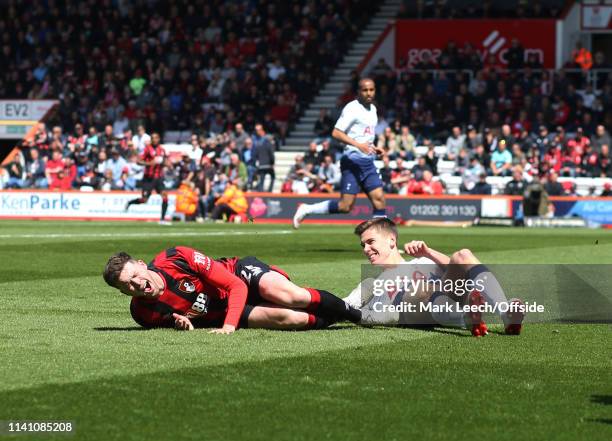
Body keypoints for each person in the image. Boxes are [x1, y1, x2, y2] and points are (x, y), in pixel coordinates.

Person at [102, 246, 362, 333]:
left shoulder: (176, 257)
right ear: (123, 293)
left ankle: (355, 313)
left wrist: (229, 327)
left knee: (289, 296)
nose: (137, 284)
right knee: (290, 317)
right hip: (223, 308)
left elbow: (234, 284)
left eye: (135, 276)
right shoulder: (142, 314)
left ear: (140, 264)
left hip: (239, 274)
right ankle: (335, 315)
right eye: (128, 286)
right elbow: (178, 320)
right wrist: (182, 323)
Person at [343, 218, 525, 336]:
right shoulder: (376, 283)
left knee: (463, 254)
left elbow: (460, 267)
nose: (366, 249)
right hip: (414, 312)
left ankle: (505, 313)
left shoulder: (423, 260)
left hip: (449, 297)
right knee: (422, 290)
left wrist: (428, 252)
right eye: (363, 245)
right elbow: (348, 304)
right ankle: (466, 317)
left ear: (392, 240)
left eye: (370, 242)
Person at [293, 78, 386, 227]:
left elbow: (364, 136)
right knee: (345, 206)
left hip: (368, 162)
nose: (369, 93)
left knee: (379, 199)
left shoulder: (373, 109)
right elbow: (336, 133)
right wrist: (358, 145)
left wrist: (374, 147)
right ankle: (307, 208)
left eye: (371, 90)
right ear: (358, 92)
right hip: (352, 162)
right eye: (365, 90)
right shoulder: (352, 108)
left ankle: (383, 244)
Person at [125, 133, 170, 224]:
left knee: (165, 196)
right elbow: (139, 161)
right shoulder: (147, 149)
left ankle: (162, 219)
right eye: (152, 138)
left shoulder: (162, 150)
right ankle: (130, 202)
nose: (154, 140)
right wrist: (150, 163)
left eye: (156, 138)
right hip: (148, 178)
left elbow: (165, 162)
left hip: (158, 177)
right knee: (144, 200)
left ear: (159, 139)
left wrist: (166, 163)